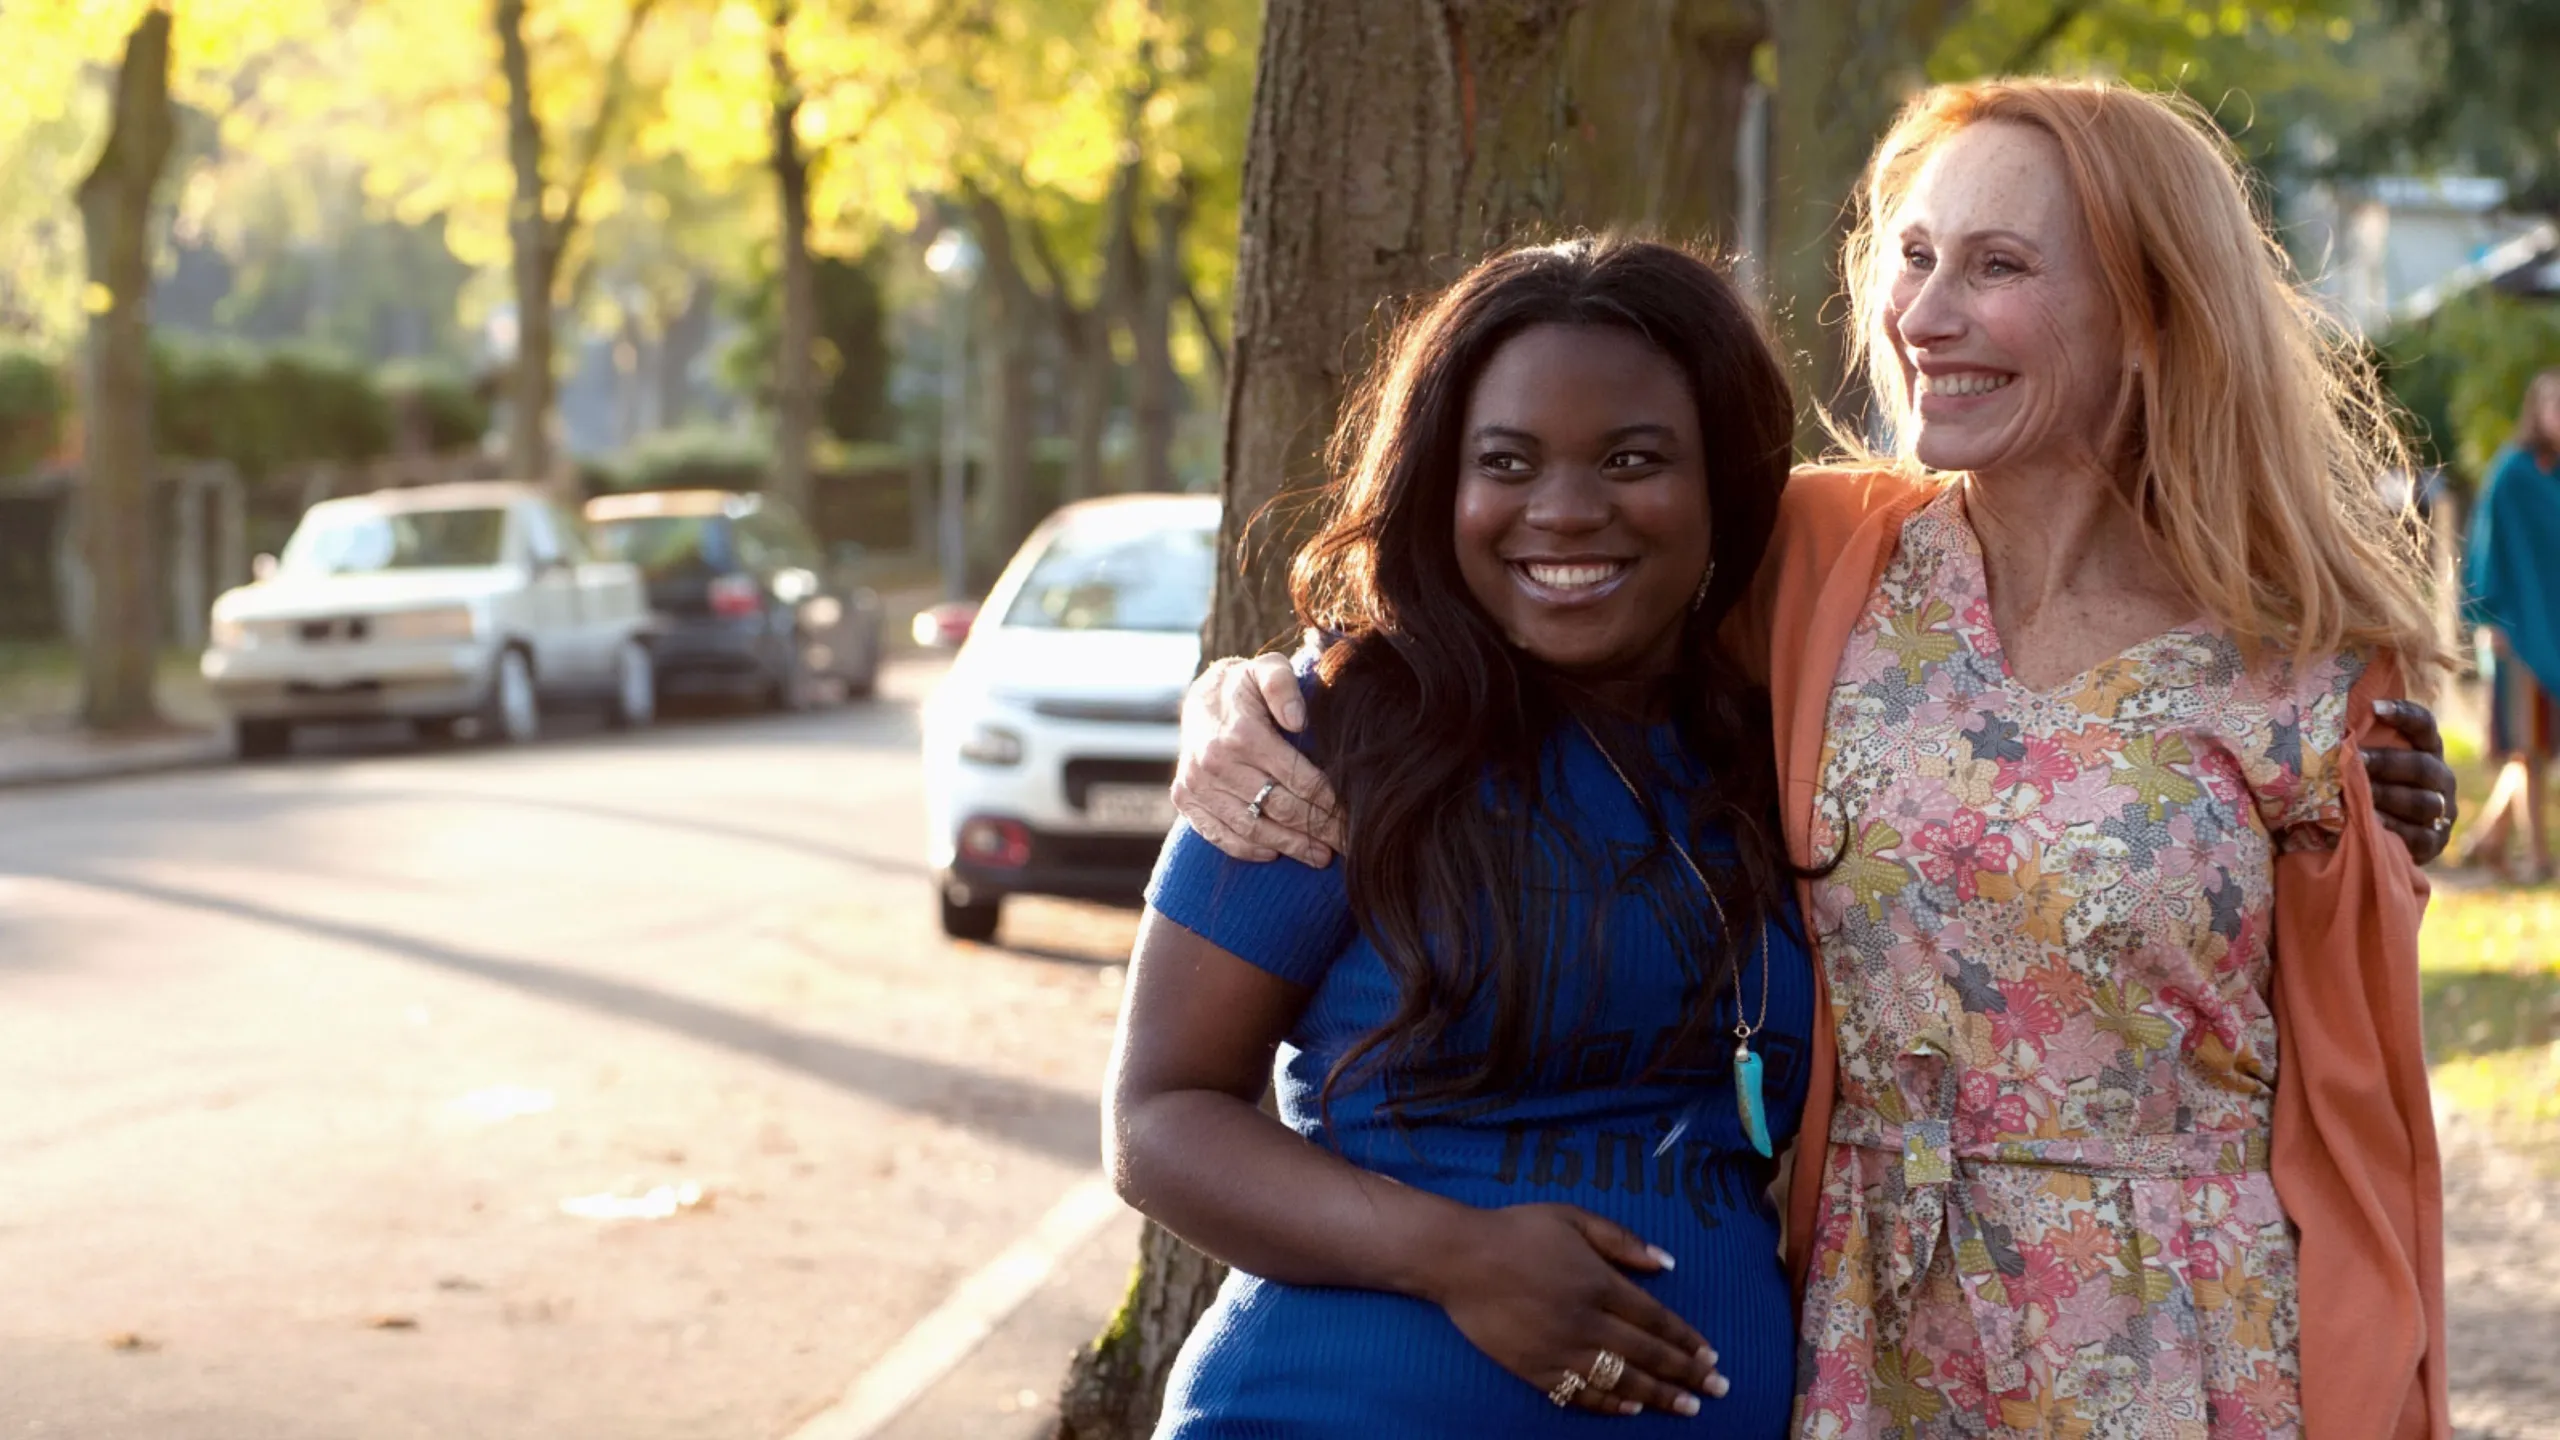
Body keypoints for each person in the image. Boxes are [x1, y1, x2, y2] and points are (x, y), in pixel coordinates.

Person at [1172, 79, 2461, 1440]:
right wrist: (1256, 686)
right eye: (1912, 256)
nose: (1925, 314)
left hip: (2189, 1349)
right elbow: (1527, 572)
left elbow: (2358, 1115)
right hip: (1871, 1342)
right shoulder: (1820, 564)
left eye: (1997, 266)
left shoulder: (2305, 667)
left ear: (2150, 310)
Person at [1108, 238, 1812, 1436]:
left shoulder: (1786, 741)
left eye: (1634, 460)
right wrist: (1454, 1258)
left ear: (1724, 488)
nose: (1566, 510)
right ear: (1443, 484)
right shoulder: (1333, 739)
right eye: (1508, 462)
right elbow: (1160, 1116)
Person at [2457, 368, 2560, 882]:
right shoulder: (2512, 473)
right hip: (2514, 630)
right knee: (2529, 744)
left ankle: (2489, 838)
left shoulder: (2556, 477)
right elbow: (2487, 547)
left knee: (2540, 742)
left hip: (2554, 627)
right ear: (2538, 412)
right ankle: (2537, 856)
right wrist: (2487, 616)